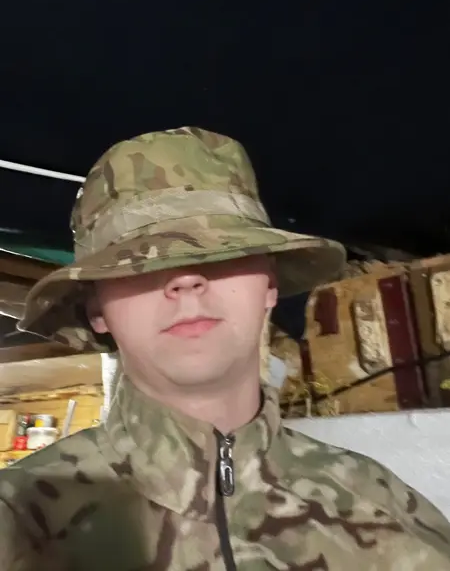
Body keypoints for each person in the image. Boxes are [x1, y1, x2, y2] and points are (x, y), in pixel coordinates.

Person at [1, 127, 449, 570]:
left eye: (225, 250)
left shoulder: (384, 507)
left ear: (269, 284)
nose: (186, 279)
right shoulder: (18, 522)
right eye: (139, 261)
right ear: (97, 310)